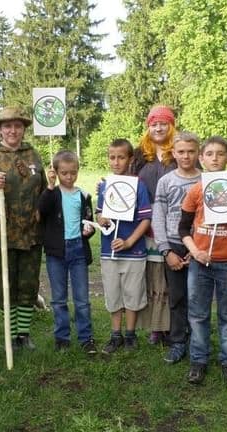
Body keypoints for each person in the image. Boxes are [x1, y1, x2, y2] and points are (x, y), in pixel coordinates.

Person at [177, 135, 227, 385]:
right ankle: (199, 359)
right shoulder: (196, 190)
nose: (215, 158)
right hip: (200, 264)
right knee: (198, 314)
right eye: (209, 154)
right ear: (202, 158)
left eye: (220, 154)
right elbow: (183, 229)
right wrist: (195, 251)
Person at [0, 107, 47, 350]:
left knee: (28, 285)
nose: (13, 130)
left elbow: (43, 189)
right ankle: (11, 334)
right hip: (1, 232)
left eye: (17, 126)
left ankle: (23, 334)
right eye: (7, 126)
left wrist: (43, 205)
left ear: (24, 129)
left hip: (31, 233)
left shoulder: (33, 155)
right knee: (6, 285)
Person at [38, 150, 97, 353]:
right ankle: (62, 337)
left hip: (78, 249)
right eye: (64, 173)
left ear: (78, 171)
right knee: (59, 299)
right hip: (56, 252)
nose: (69, 177)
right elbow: (42, 210)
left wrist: (88, 231)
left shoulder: (83, 195)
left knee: (82, 300)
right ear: (56, 172)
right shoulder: (52, 194)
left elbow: (89, 221)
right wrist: (50, 186)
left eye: (73, 173)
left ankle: (86, 337)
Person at [96, 139, 152, 354]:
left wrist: (130, 241)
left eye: (121, 157)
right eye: (112, 157)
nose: (116, 162)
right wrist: (101, 218)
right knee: (113, 293)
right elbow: (100, 213)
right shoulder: (104, 185)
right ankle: (115, 334)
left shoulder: (139, 186)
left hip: (134, 252)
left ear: (130, 159)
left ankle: (130, 334)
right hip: (108, 252)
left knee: (133, 293)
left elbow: (146, 219)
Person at [130, 105, 177, 345]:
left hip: (173, 227)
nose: (158, 127)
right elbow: (127, 186)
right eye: (153, 123)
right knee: (153, 279)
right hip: (145, 226)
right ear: (148, 127)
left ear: (171, 125)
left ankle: (173, 326)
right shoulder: (139, 155)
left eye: (163, 123)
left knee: (171, 279)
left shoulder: (179, 153)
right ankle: (156, 327)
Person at [153, 132, 200, 364]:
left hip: (198, 248)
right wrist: (166, 251)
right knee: (178, 297)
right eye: (181, 152)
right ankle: (178, 341)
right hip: (173, 246)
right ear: (174, 153)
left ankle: (197, 342)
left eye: (191, 151)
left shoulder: (206, 181)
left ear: (198, 153)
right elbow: (158, 217)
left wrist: (197, 249)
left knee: (198, 298)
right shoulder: (166, 181)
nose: (186, 156)